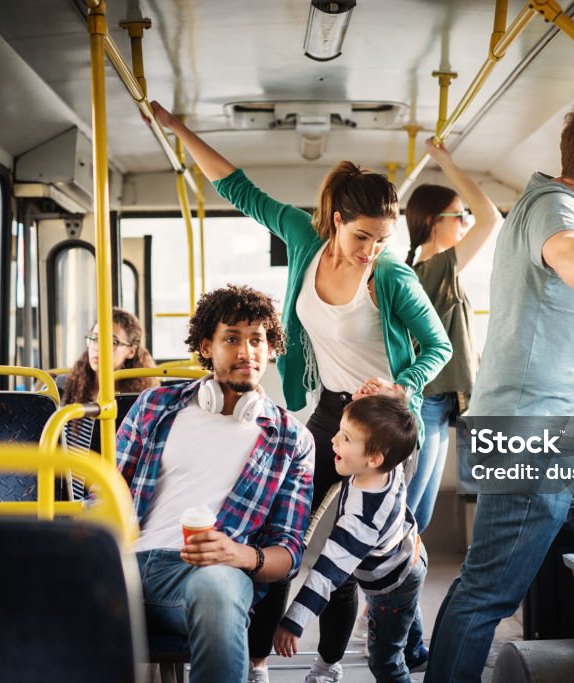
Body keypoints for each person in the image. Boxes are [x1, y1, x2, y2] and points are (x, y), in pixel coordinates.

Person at [147, 100, 451, 682]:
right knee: (282, 540)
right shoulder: (303, 240)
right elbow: (240, 189)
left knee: (357, 551)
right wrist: (180, 129)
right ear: (335, 219)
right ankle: (257, 657)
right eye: (363, 236)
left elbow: (440, 348)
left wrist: (401, 384)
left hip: (384, 417)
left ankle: (334, 663)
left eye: (382, 241)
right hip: (330, 412)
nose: (371, 251)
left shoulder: (391, 275)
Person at [426, 97, 574, 682]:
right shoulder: (557, 209)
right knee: (489, 594)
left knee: (482, 583)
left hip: (533, 423)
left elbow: (564, 309)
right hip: (532, 432)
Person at [115, 285, 315, 683]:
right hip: (125, 565)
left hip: (206, 574)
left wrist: (241, 556)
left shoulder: (291, 439)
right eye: (232, 339)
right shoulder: (154, 406)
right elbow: (104, 494)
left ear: (270, 348)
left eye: (257, 340)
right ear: (206, 347)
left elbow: (289, 552)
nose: (246, 352)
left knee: (220, 589)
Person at [274, 396, 426, 683]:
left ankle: (406, 659)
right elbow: (395, 428)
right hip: (408, 553)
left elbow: (327, 574)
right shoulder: (386, 467)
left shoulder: (361, 521)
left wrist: (293, 622)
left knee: (385, 661)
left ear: (374, 457)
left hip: (391, 582)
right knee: (406, 611)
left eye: (345, 437)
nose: (333, 440)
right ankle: (416, 650)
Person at [404, 138, 503, 530]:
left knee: (419, 513)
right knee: (412, 512)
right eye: (458, 216)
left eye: (464, 216)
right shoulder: (435, 268)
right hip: (429, 399)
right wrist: (444, 160)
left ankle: (396, 581)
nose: (465, 223)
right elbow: (491, 217)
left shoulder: (432, 270)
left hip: (442, 398)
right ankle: (388, 584)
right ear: (432, 222)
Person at [59, 307, 159, 406]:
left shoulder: (142, 399)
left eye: (111, 342)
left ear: (131, 351)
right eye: (95, 338)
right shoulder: (64, 387)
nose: (97, 347)